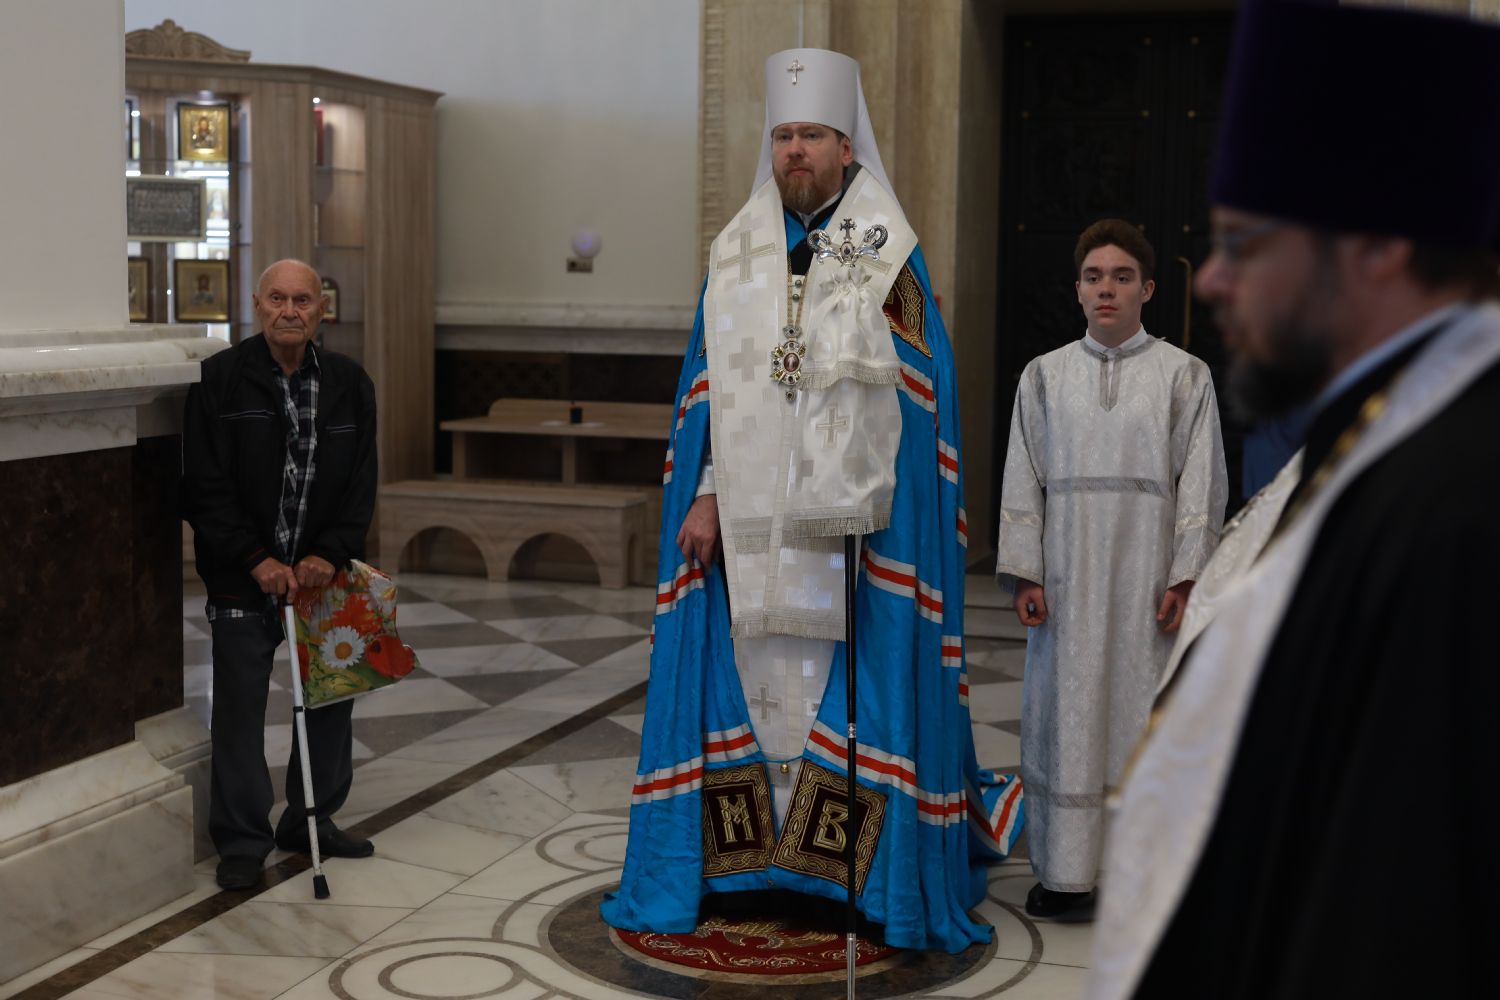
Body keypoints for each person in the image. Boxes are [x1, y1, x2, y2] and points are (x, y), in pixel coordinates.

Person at [1087, 2, 1500, 997]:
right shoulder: (1382, 439)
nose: (1215, 282)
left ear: (1377, 245)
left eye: (1244, 243)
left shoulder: (1462, 504)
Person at [601, 47, 1022, 953]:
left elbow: (924, 393)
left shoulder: (889, 253)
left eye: (813, 136)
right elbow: (708, 391)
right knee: (752, 689)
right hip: (747, 529)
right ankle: (746, 870)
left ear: (846, 146)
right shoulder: (735, 253)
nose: (795, 150)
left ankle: (857, 881)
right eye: (784, 135)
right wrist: (706, 495)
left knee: (849, 687)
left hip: (856, 536)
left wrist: (870, 504)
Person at [995, 220, 1227, 919]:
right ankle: (1066, 875)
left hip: (1145, 582)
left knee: (1140, 716)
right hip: (1066, 582)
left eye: (1122, 277)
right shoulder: (1044, 376)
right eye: (1094, 276)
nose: (1107, 289)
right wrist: (1027, 573)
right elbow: (1022, 479)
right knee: (1064, 720)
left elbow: (1202, 485)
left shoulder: (1185, 375)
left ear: (1147, 289)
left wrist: (1186, 577)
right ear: (1077, 289)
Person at [182, 258, 378, 891]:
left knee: (329, 700)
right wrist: (254, 558)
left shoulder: (350, 383)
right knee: (239, 709)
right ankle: (242, 840)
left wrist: (330, 553)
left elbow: (361, 485)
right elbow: (203, 487)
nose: (289, 311)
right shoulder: (219, 379)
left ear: (322, 309)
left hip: (324, 579)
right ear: (257, 304)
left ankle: (311, 820)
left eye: (302, 300)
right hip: (243, 576)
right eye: (277, 299)